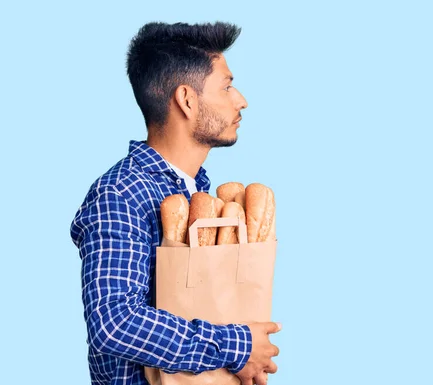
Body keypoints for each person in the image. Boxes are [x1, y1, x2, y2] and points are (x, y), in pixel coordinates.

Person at [70, 21, 281, 385]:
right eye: (227, 86)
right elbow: (113, 322)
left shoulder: (198, 195)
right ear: (187, 99)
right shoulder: (121, 193)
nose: (241, 99)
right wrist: (238, 346)